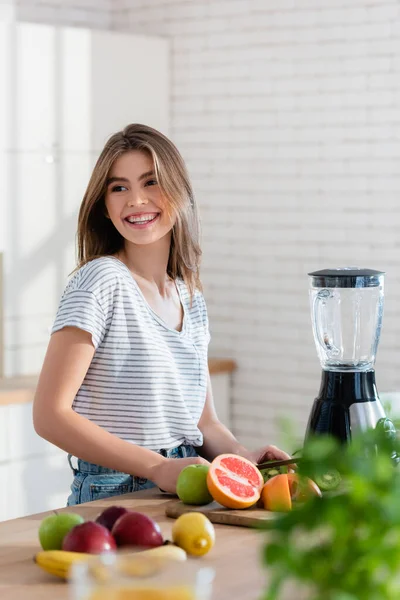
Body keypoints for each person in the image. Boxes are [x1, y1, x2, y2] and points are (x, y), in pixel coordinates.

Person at [33, 124, 289, 505]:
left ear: (179, 192)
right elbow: (49, 415)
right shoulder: (100, 281)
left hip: (189, 480)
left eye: (150, 182)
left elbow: (203, 423)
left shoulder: (190, 295)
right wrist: (156, 467)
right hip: (116, 489)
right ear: (104, 205)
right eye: (118, 187)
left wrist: (240, 457)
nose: (136, 200)